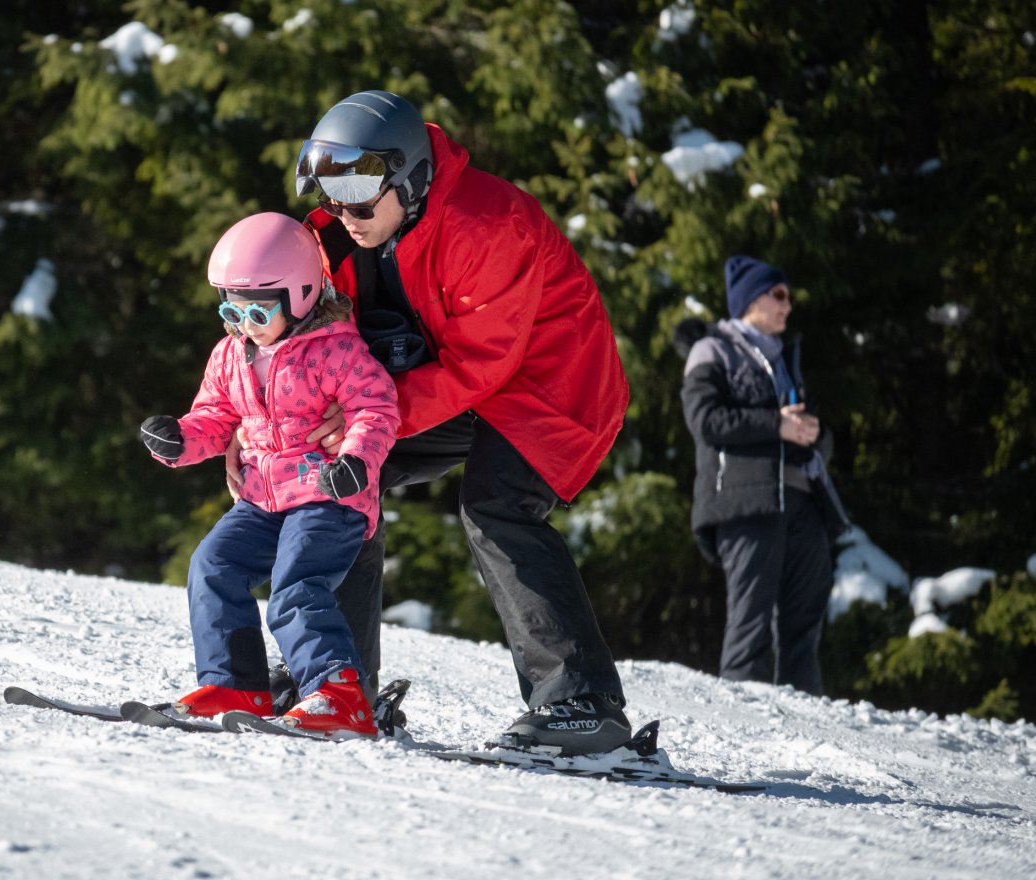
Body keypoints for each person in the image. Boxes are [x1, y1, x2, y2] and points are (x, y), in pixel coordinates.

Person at [257, 89, 632, 755]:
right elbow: (292, 341)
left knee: (497, 507)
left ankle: (582, 703)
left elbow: (481, 366)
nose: (347, 218)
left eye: (363, 204)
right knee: (337, 477)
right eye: (336, 203)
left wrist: (367, 415)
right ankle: (335, 681)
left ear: (412, 181)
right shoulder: (335, 240)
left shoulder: (490, 226)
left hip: (550, 383)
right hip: (438, 381)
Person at [139, 212, 399, 737]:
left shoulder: (336, 350)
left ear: (302, 294)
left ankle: (337, 694)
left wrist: (356, 461)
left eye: (257, 311)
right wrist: (182, 440)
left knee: (295, 584)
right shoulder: (231, 356)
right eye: (229, 311)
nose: (243, 326)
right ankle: (237, 685)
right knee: (213, 565)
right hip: (261, 499)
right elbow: (215, 417)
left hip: (328, 499)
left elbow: (377, 407)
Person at [677, 255, 849, 695]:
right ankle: (744, 731)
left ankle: (807, 723)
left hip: (804, 501)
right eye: (779, 295)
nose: (787, 305)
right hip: (746, 501)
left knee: (806, 622)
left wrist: (814, 432)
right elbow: (706, 420)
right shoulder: (711, 348)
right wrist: (777, 425)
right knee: (751, 622)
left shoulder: (783, 357)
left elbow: (811, 434)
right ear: (751, 298)